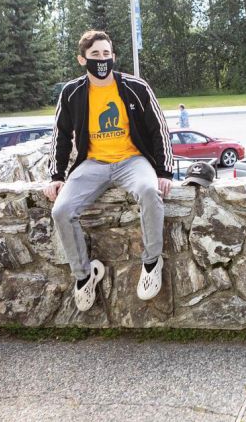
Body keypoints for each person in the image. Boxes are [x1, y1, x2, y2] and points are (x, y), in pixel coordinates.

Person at [45, 30, 174, 311]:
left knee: (150, 191)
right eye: (95, 55)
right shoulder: (72, 93)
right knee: (61, 210)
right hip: (92, 164)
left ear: (113, 57)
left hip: (132, 160)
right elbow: (61, 135)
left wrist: (165, 171)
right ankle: (83, 275)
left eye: (106, 54)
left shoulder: (136, 87)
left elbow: (159, 128)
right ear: (82, 59)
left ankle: (152, 261)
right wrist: (56, 176)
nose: (101, 59)